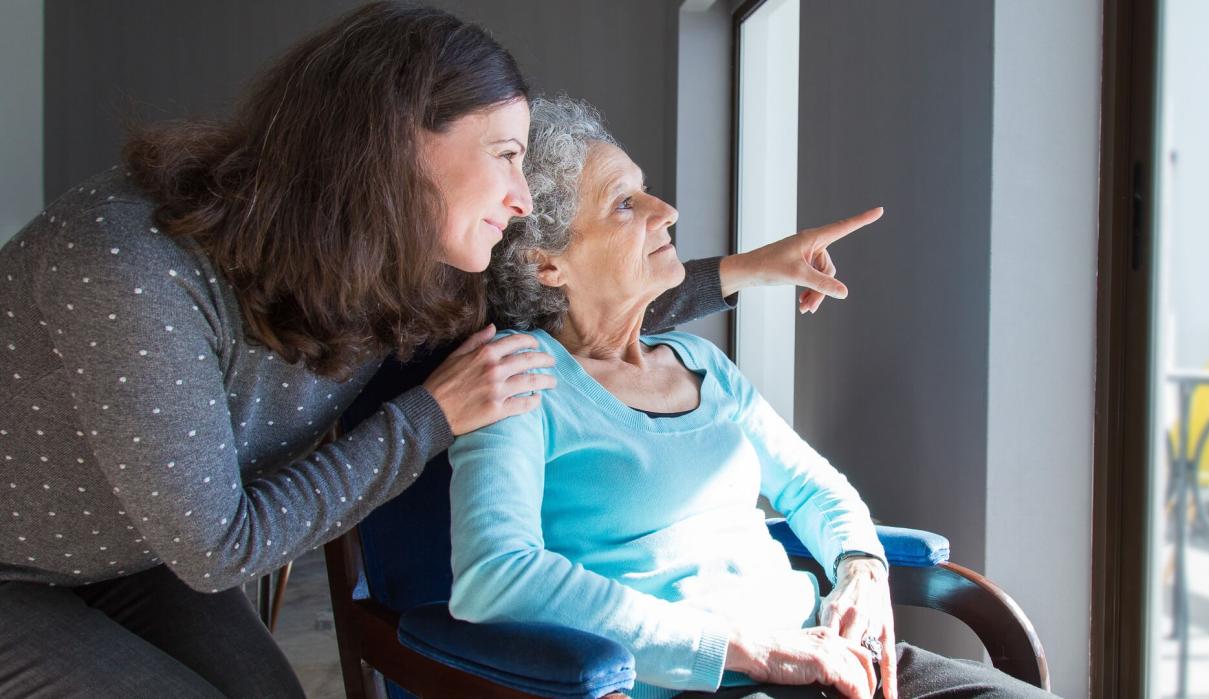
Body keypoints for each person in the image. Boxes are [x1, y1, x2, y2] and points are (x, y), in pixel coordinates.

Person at [0, 3, 873, 697]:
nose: (521, 193)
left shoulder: (392, 269)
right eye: (504, 154)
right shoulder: (125, 267)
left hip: (129, 554)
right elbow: (223, 547)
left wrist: (748, 270)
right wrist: (430, 416)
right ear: (397, 140)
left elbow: (568, 296)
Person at [447, 96, 1057, 699]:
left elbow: (815, 486)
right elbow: (496, 578)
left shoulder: (701, 365)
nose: (667, 211)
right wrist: (753, 651)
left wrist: (861, 566)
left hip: (823, 652)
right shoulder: (515, 380)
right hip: (704, 680)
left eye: (646, 190)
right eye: (625, 204)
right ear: (547, 265)